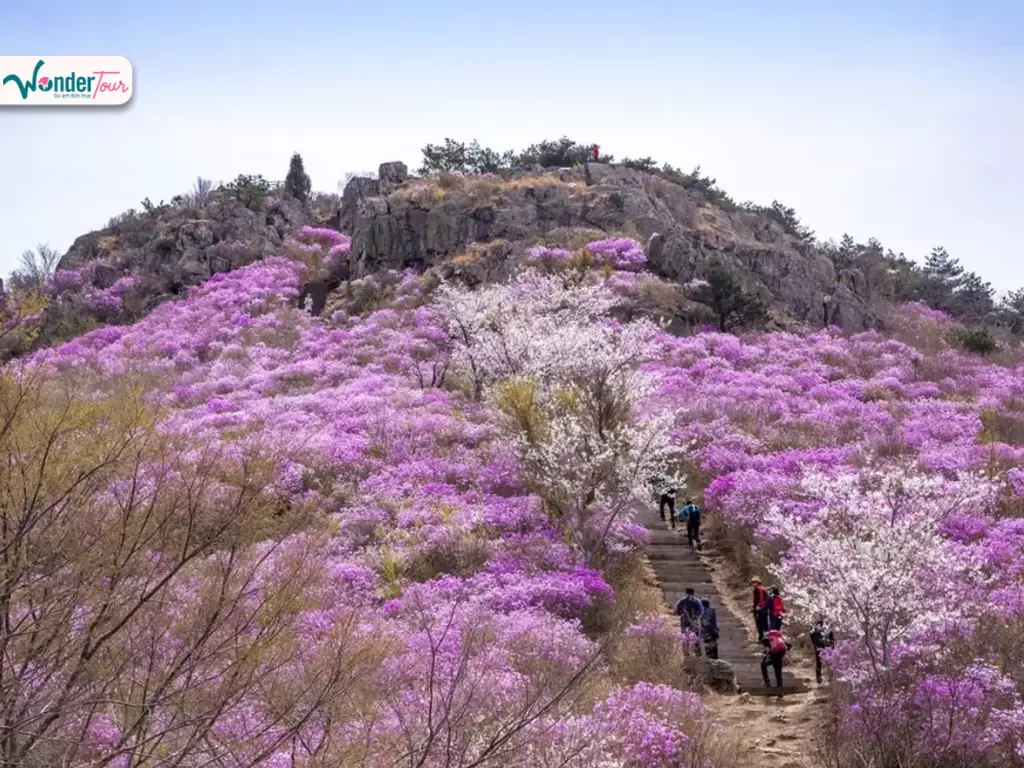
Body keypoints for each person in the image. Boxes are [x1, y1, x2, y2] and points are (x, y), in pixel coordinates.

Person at [674, 588, 703, 655]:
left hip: (684, 621)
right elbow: (700, 611)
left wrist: (682, 614)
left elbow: (677, 611)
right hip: (694, 621)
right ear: (693, 593)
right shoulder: (697, 601)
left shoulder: (681, 601)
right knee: (696, 635)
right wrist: (695, 617)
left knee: (684, 635)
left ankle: (685, 652)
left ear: (686, 593)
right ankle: (697, 652)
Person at [810, 616, 835, 684]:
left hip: (818, 648)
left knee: (818, 664)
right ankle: (831, 679)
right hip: (827, 647)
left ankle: (819, 680)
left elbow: (811, 637)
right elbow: (832, 639)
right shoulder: (828, 628)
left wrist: (815, 645)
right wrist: (832, 648)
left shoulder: (814, 629)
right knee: (829, 663)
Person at [751, 577, 770, 642]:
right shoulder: (761, 588)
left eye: (754, 582)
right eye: (752, 582)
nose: (753, 584)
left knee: (760, 623)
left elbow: (760, 600)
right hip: (763, 608)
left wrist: (757, 607)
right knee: (764, 624)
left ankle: (761, 638)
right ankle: (765, 637)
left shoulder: (759, 589)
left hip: (761, 609)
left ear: (757, 582)